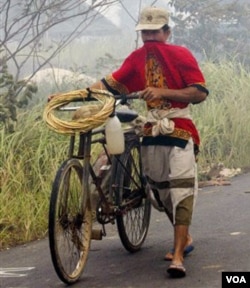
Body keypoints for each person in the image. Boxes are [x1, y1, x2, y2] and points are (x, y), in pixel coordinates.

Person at [51, 6, 209, 278]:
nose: (149, 37)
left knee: (181, 187)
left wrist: (162, 91)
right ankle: (185, 237)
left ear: (166, 32)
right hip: (151, 129)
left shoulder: (181, 55)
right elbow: (108, 84)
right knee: (159, 191)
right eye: (145, 32)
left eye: (154, 31)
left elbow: (199, 92)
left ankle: (178, 255)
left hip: (179, 127)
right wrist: (68, 95)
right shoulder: (137, 59)